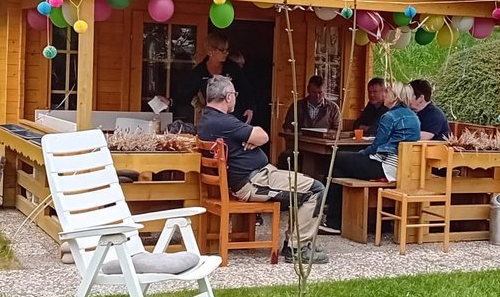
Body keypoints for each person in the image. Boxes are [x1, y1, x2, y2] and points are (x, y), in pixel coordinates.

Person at [197, 75, 328, 264]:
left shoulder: (206, 120)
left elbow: (256, 137)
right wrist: (252, 138)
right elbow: (263, 136)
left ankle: (294, 243)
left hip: (256, 177)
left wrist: (250, 139)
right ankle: (298, 249)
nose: (235, 98)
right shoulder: (225, 123)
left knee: (303, 184)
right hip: (254, 182)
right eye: (235, 94)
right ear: (228, 96)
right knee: (315, 190)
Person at [321, 81, 421, 234]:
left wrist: (360, 154)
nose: (384, 95)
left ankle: (334, 221)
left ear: (395, 97)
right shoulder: (414, 117)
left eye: (387, 92)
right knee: (339, 170)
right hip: (402, 169)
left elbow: (375, 146)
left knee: (336, 157)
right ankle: (336, 221)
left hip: (384, 167)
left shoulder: (389, 116)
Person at [174, 32, 255, 124]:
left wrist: (250, 107)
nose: (226, 53)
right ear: (210, 51)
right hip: (211, 117)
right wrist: (170, 101)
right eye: (222, 50)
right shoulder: (199, 71)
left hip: (233, 116)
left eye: (227, 49)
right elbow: (186, 93)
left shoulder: (233, 68)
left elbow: (246, 89)